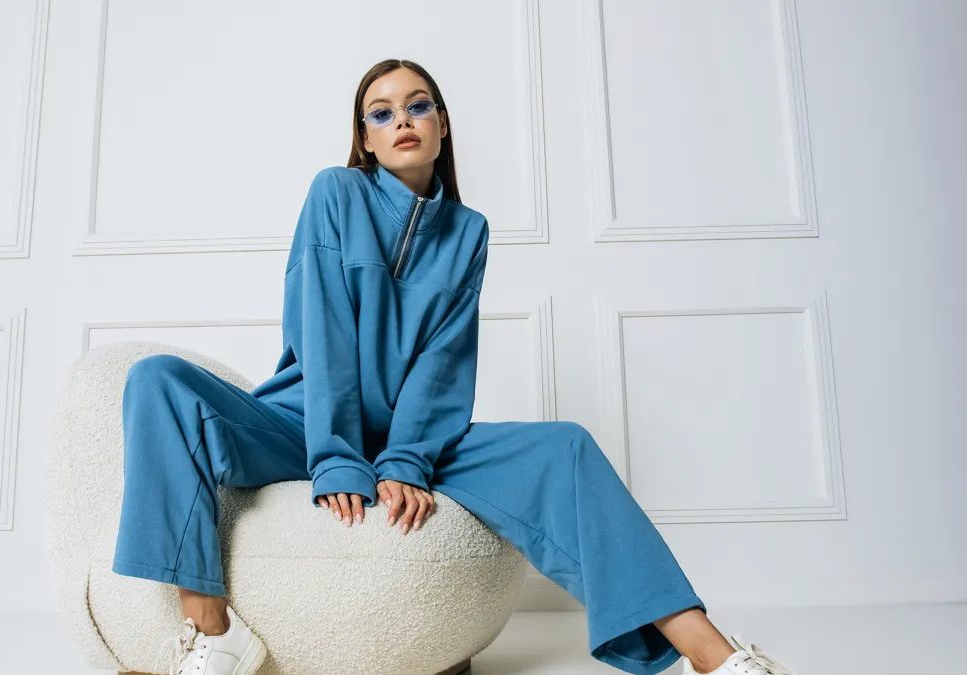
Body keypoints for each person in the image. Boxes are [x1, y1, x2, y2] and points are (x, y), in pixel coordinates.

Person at [110, 58, 796, 675]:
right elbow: (323, 337)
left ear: (441, 125)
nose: (400, 119)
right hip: (303, 424)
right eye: (381, 112)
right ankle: (212, 626)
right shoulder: (335, 194)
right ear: (366, 138)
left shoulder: (469, 232)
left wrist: (406, 459)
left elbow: (444, 363)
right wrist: (341, 459)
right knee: (157, 380)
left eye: (418, 105)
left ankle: (712, 652)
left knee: (565, 447)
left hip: (414, 439)